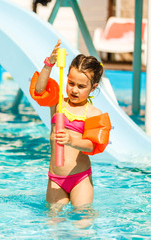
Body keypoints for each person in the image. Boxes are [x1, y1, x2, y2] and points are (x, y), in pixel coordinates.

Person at [30, 40, 111, 210]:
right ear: (66, 79)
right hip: (55, 178)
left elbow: (92, 145)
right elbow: (39, 90)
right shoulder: (58, 103)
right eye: (71, 83)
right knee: (53, 223)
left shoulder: (93, 113)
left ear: (93, 87)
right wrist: (48, 64)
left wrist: (72, 140)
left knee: (82, 220)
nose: (74, 90)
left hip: (79, 178)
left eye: (81, 86)